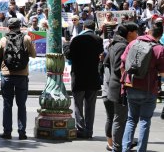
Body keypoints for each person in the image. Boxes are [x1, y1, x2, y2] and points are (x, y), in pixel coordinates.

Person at [120, 18, 164, 152]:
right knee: (145, 121)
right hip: (148, 89)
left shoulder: (133, 43)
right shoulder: (159, 49)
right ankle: (141, 150)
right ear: (160, 36)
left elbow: (122, 64)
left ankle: (125, 148)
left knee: (131, 120)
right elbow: (162, 73)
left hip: (131, 86)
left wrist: (125, 82)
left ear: (148, 32)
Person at [0, 18, 37, 140]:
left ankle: (7, 132)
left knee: (7, 104)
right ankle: (22, 132)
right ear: (20, 26)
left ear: (8, 27)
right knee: (21, 105)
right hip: (22, 75)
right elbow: (33, 54)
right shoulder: (27, 38)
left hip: (7, 75)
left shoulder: (3, 39)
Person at [63, 19, 104, 139]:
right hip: (92, 77)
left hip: (79, 77)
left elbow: (69, 55)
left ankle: (80, 129)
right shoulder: (98, 40)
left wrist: (66, 43)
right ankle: (89, 130)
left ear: (84, 27)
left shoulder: (77, 39)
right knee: (90, 106)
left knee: (78, 104)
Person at [104, 22, 138, 152]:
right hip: (119, 87)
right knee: (120, 118)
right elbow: (119, 67)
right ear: (130, 33)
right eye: (136, 32)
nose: (137, 34)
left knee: (120, 118)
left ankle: (120, 144)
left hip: (114, 85)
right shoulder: (123, 46)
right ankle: (118, 147)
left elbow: (106, 62)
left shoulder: (115, 44)